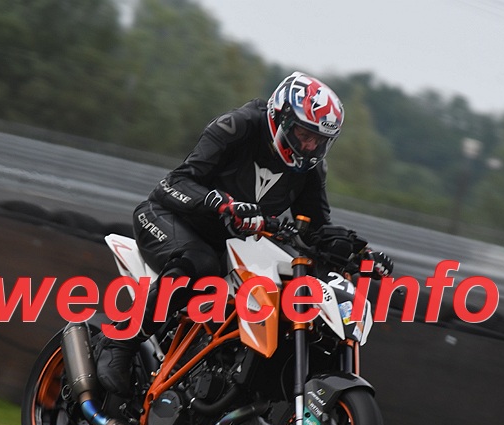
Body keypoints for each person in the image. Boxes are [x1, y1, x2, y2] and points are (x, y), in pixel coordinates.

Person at [97, 71, 393, 395]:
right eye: (303, 134)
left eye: (319, 140)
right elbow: (173, 183)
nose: (309, 146)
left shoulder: (311, 169)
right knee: (200, 264)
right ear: (280, 118)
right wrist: (220, 203)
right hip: (170, 218)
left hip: (234, 245)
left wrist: (357, 253)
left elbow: (315, 229)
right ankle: (120, 341)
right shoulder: (238, 126)